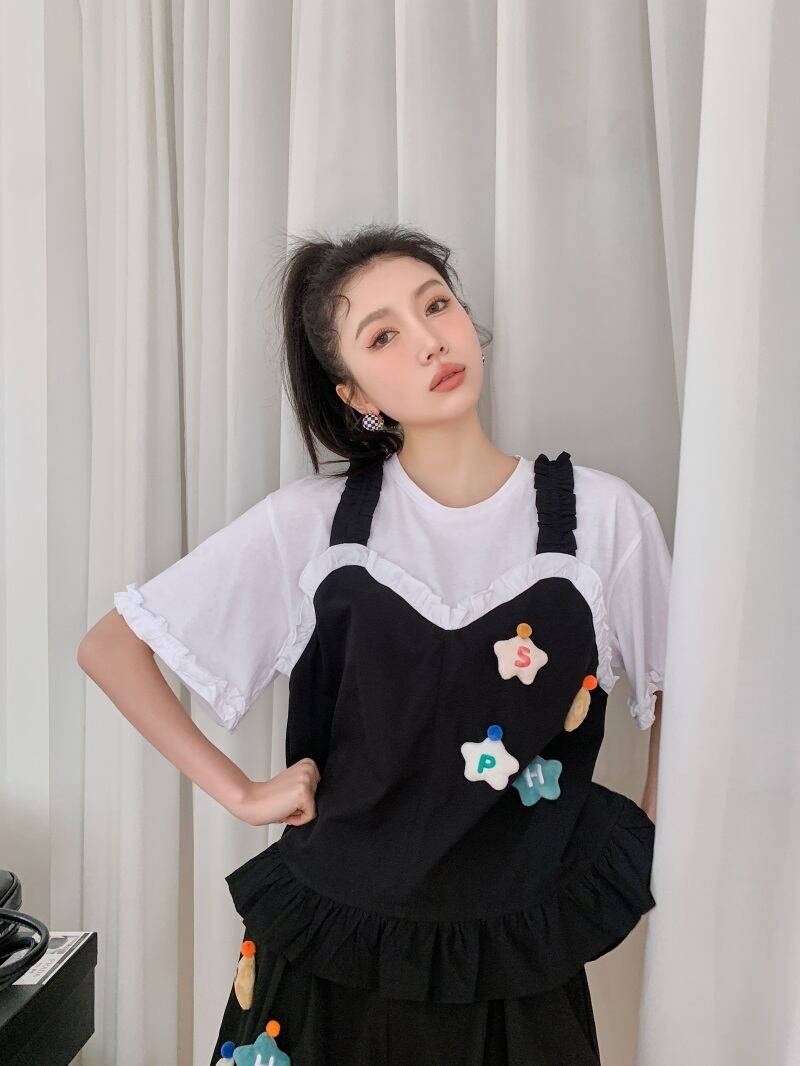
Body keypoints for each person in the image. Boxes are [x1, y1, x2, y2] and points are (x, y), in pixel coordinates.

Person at [78, 224, 671, 1065]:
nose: (429, 340)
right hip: (326, 954)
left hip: (516, 957)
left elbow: (683, 690)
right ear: (354, 391)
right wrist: (243, 794)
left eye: (437, 306)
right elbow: (111, 648)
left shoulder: (602, 518)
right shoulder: (312, 526)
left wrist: (649, 842)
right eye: (384, 335)